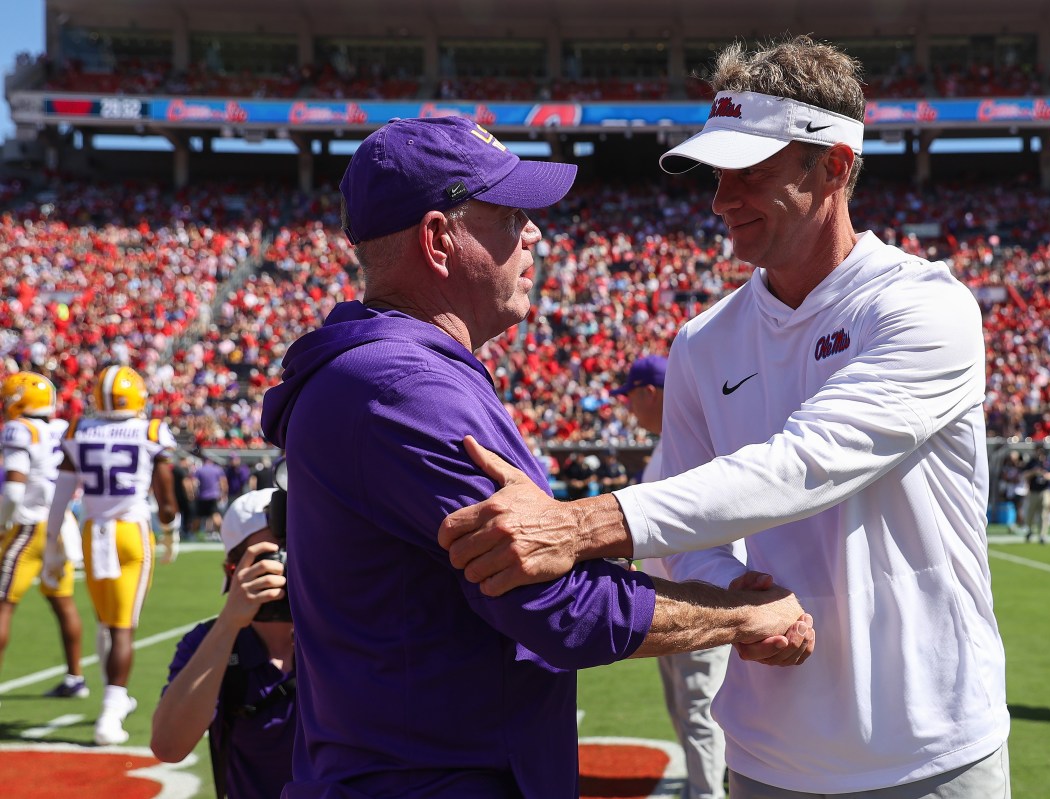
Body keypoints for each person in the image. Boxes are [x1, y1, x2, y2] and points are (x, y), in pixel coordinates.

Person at [440, 36, 1010, 799]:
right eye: (716, 174)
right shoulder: (704, 340)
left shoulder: (923, 307)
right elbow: (685, 521)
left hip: (930, 746)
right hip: (768, 754)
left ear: (833, 166)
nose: (720, 199)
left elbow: (807, 462)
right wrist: (737, 594)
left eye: (749, 172)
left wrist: (578, 526)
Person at [260, 115, 814, 798]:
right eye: (510, 214)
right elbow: (560, 609)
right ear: (439, 239)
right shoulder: (407, 387)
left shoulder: (386, 372)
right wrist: (743, 614)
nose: (535, 234)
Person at [616, 354, 745, 799]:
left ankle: (706, 794)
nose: (629, 409)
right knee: (687, 710)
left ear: (649, 392)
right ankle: (704, 787)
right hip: (670, 602)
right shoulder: (667, 444)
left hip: (701, 600)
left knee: (700, 711)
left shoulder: (692, 438)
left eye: (631, 397)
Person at [43, 364, 181, 746]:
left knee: (107, 621)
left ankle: (114, 699)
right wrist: (170, 526)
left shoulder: (78, 430)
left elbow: (62, 492)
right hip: (131, 532)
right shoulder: (151, 430)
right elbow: (165, 493)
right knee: (123, 626)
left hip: (93, 530)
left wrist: (53, 540)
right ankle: (110, 710)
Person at [150, 487, 294, 799]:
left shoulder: (339, 634)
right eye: (275, 555)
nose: (288, 566)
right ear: (233, 569)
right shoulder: (212, 643)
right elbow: (169, 746)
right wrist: (229, 624)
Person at [0, 372, 88, 699]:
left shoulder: (18, 429)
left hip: (27, 525)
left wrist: (1, 524)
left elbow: (12, 491)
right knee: (62, 602)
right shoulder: (61, 429)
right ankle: (76, 678)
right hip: (60, 525)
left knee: (3, 605)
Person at [1023, 444, 1050, 544]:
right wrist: (1034, 472)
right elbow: (1024, 475)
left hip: (1045, 490)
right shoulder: (1032, 462)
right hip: (1033, 491)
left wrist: (1046, 475)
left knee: (1044, 513)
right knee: (1031, 514)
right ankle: (1029, 530)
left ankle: (1042, 535)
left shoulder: (1048, 462)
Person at [192, 453, 227, 538]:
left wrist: (194, 494)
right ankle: (222, 534)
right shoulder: (217, 469)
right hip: (213, 496)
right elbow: (223, 482)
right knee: (216, 516)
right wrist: (223, 494)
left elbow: (194, 483)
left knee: (198, 517)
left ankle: (192, 535)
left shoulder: (199, 470)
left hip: (202, 496)